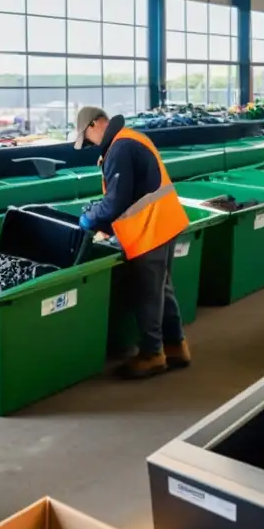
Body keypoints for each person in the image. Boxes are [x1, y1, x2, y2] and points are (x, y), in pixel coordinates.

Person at [75, 107, 190, 380]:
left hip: (149, 230)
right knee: (163, 289)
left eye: (87, 136)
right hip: (166, 221)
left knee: (148, 294)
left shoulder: (120, 148)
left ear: (94, 124)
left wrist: (89, 219)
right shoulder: (132, 138)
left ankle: (152, 355)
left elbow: (116, 201)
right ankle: (176, 347)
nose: (90, 143)